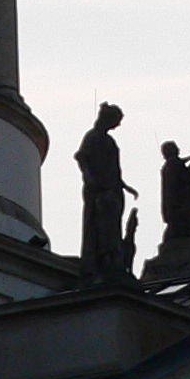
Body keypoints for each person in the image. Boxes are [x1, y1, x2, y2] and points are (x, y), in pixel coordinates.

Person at [76, 103, 136, 282]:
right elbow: (81, 157)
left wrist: (124, 185)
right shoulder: (93, 137)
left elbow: (115, 169)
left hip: (112, 188)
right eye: (116, 121)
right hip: (99, 190)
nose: (117, 125)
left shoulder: (109, 141)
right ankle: (101, 259)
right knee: (100, 225)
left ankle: (111, 257)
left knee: (112, 226)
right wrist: (89, 178)